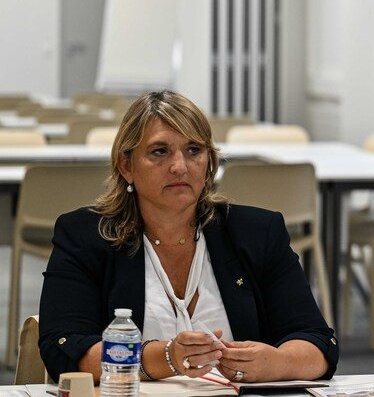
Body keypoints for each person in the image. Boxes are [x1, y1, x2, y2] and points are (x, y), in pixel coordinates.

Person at [39, 91, 337, 383]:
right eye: (160, 152)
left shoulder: (257, 232)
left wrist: (276, 363)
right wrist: (165, 357)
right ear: (126, 166)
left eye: (194, 150)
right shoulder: (85, 236)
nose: (180, 166)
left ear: (209, 162)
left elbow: (319, 344)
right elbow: (63, 349)